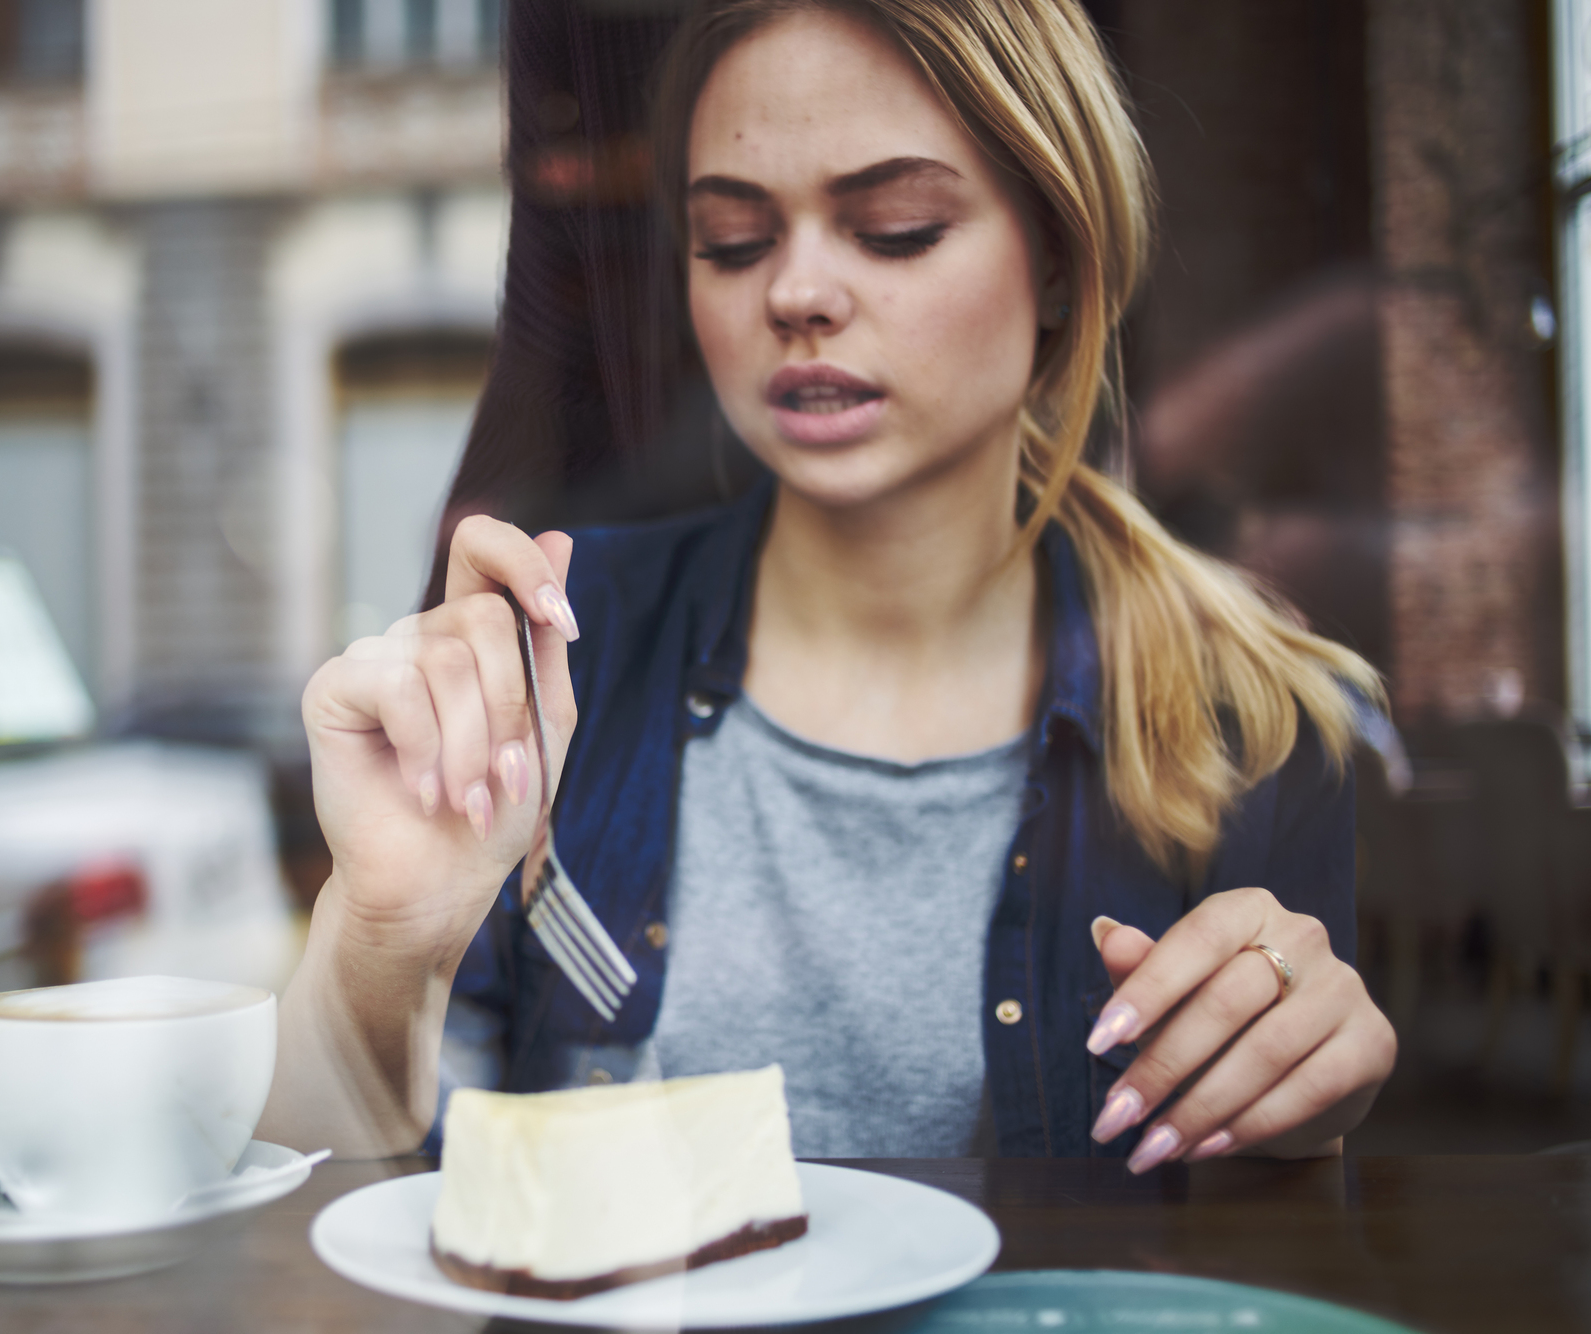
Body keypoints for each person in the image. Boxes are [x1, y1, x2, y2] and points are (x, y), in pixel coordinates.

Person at [256, 0, 1397, 1169]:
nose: (793, 292)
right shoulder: (559, 642)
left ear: (1056, 258)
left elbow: (1264, 1265)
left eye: (894, 228)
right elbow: (331, 1209)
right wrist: (379, 936)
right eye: (732, 242)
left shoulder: (1251, 715)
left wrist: (1299, 1120)